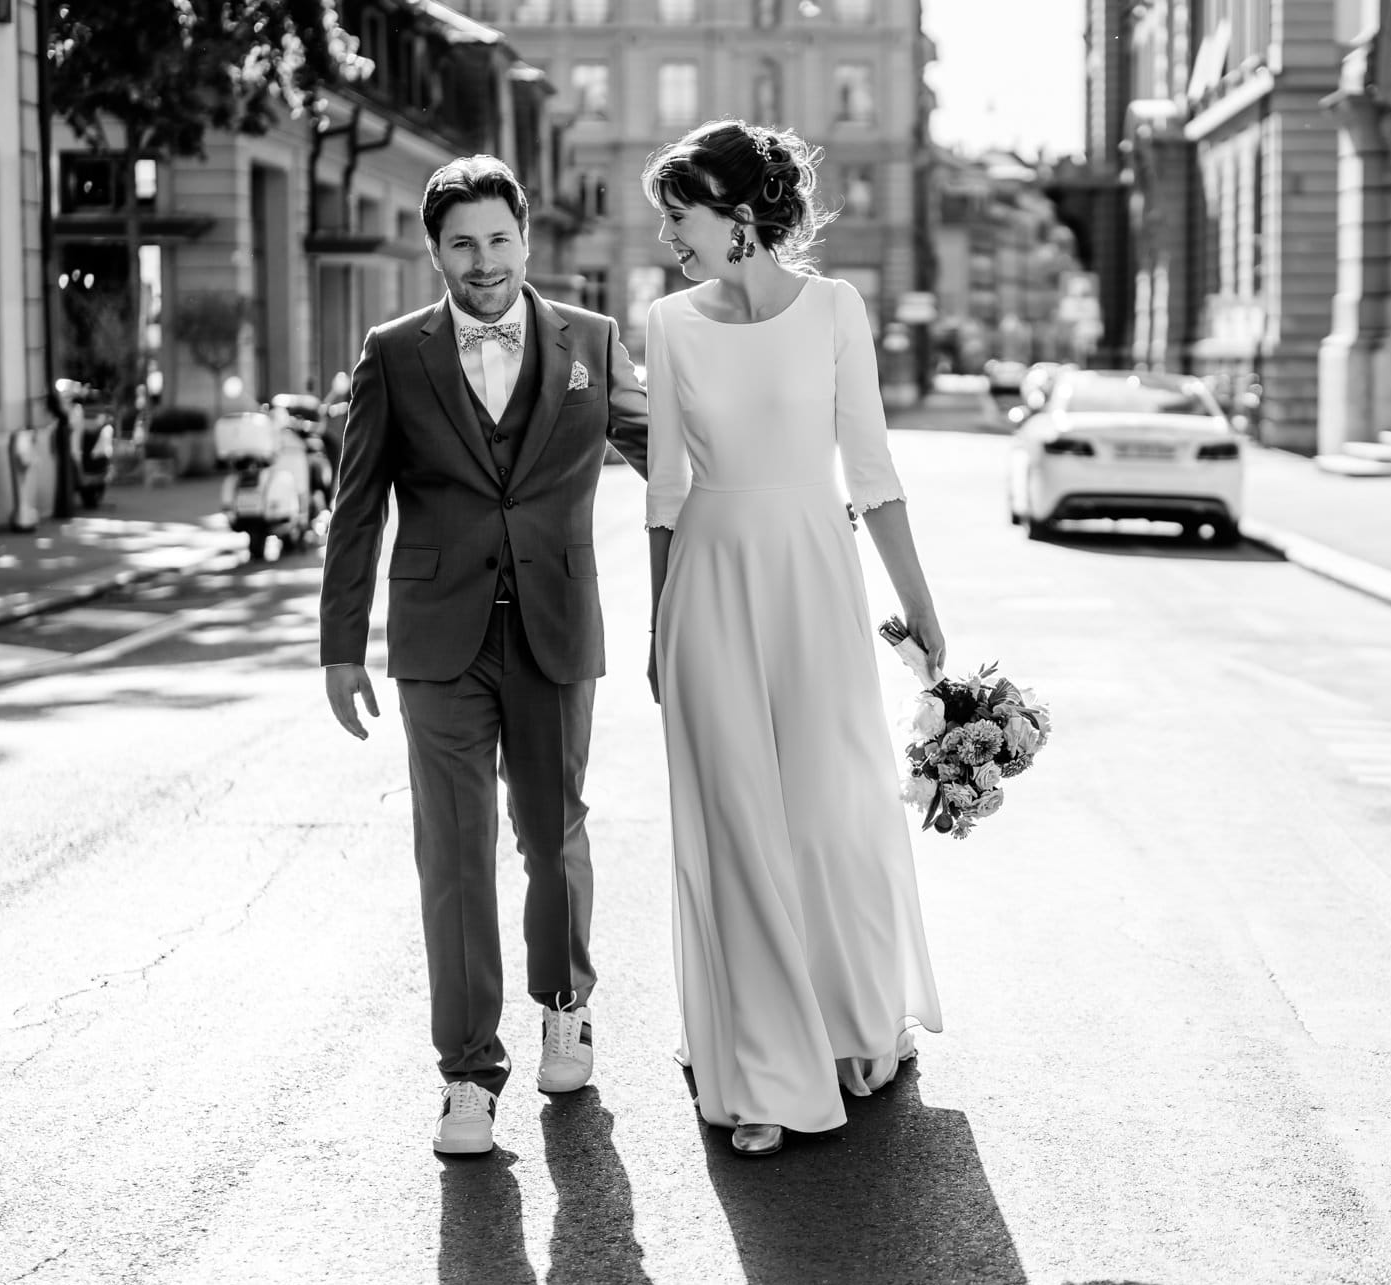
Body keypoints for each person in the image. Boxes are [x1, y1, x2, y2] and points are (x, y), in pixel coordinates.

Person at [319, 155, 651, 1155]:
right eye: (460, 243)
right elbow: (356, 502)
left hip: (554, 623)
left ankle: (564, 1002)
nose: (483, 260)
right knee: (453, 855)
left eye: (498, 239)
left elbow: (672, 453)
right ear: (434, 251)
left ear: (525, 240)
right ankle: (466, 1071)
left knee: (552, 834)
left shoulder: (591, 340)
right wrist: (342, 646)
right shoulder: (393, 352)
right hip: (437, 637)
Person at [641, 120, 946, 1157]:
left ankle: (855, 1020)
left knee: (823, 809)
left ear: (735, 214)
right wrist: (655, 623)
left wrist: (919, 602)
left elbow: (870, 468)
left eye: (678, 217)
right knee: (736, 827)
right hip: (708, 586)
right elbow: (667, 493)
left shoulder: (834, 308)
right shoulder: (669, 323)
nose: (668, 239)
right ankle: (760, 1065)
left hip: (815, 573)